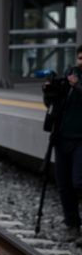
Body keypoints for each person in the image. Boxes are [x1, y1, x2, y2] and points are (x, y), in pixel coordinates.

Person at [44, 47, 82, 242]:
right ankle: (72, 224)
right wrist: (49, 92)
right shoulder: (70, 73)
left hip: (80, 140)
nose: (80, 62)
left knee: (79, 182)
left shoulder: (76, 80)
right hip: (62, 138)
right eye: (79, 58)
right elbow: (54, 105)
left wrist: (77, 86)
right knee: (64, 184)